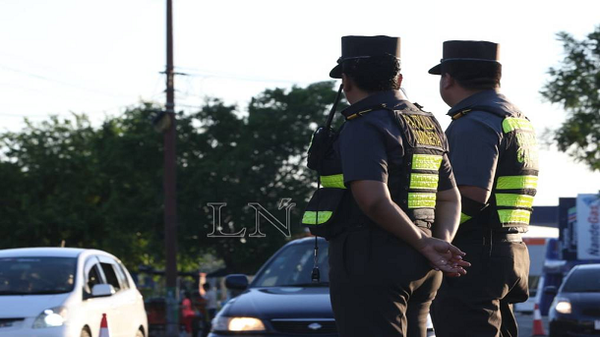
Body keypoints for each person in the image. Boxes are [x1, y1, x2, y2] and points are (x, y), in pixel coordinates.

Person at [310, 35, 470, 337]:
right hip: (423, 263)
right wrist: (437, 244)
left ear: (346, 82)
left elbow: (373, 200)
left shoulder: (363, 125)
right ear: (398, 79)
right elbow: (450, 198)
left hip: (372, 259)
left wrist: (426, 245)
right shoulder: (427, 124)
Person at [428, 40, 538, 336]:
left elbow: (471, 197)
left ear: (448, 78)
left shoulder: (474, 121)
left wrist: (433, 238)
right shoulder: (515, 118)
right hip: (510, 251)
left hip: (473, 258)